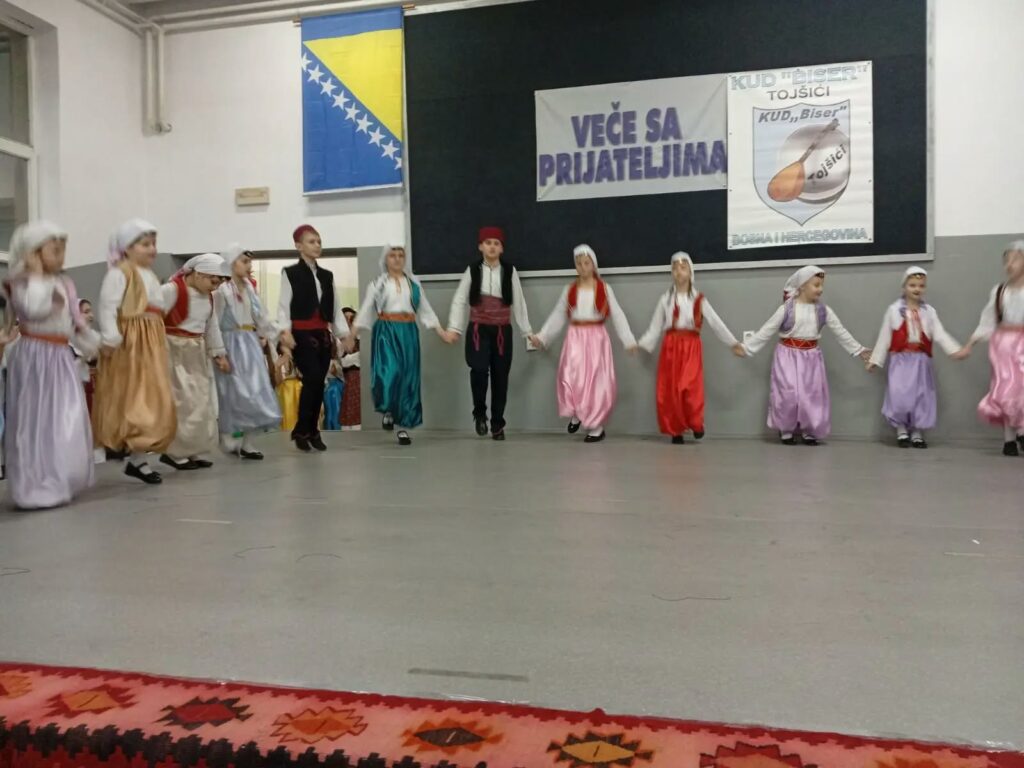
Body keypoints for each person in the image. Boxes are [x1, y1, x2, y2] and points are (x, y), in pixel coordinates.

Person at [2, 221, 99, 509]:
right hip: (35, 358)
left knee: (65, 419)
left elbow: (73, 322)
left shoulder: (63, 283)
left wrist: (91, 343)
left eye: (63, 250)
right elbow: (34, 309)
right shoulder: (22, 283)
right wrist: (35, 275)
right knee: (37, 421)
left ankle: (61, 475)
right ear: (33, 253)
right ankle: (36, 483)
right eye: (54, 250)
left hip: (59, 358)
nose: (61, 256)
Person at [739, 265, 871, 445]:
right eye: (816, 285)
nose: (820, 289)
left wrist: (859, 350)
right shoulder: (786, 309)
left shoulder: (823, 310)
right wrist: (746, 348)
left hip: (812, 358)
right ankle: (786, 430)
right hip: (787, 356)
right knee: (788, 393)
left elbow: (841, 332)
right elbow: (766, 330)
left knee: (811, 395)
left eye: (821, 285)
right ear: (802, 286)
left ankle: (809, 430)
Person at [94, 219, 176, 484]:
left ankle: (138, 459)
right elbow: (107, 306)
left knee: (152, 398)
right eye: (145, 244)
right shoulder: (120, 273)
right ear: (127, 248)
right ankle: (136, 458)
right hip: (131, 344)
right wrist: (111, 335)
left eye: (153, 244)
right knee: (135, 398)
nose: (152, 249)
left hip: (151, 341)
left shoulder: (149, 275)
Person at [530, 245, 637, 443]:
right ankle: (576, 412)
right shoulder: (570, 290)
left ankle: (596, 427)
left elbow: (617, 314)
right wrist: (542, 336)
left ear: (593, 265)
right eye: (578, 264)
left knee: (595, 381)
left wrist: (628, 339)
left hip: (596, 338)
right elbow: (558, 315)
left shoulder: (604, 289)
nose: (582, 267)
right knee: (572, 375)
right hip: (575, 337)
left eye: (586, 263)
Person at [638, 251, 744, 443]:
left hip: (691, 347)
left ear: (690, 272)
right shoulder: (666, 299)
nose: (679, 271)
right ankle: (676, 430)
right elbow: (655, 325)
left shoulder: (699, 300)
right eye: (675, 268)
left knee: (690, 387)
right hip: (671, 347)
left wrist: (732, 343)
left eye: (683, 267)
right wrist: (644, 343)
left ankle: (696, 423)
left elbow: (715, 322)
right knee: (671, 390)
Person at [444, 227, 534, 440]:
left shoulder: (509, 271)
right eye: (488, 243)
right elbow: (460, 299)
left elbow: (519, 302)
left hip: (502, 331)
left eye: (496, 243)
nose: (492, 247)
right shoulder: (472, 270)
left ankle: (497, 424)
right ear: (480, 246)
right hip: (478, 330)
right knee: (478, 370)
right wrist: (454, 328)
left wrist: (527, 332)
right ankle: (479, 414)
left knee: (500, 377)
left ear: (501, 248)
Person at [355, 244, 446, 445]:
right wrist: (353, 332)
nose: (397, 259)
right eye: (392, 255)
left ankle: (402, 428)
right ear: (385, 259)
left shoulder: (413, 284)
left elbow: (425, 310)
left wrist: (441, 331)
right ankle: (388, 409)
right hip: (386, 331)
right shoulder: (378, 284)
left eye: (400, 255)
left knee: (408, 378)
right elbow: (366, 309)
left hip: (408, 332)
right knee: (390, 373)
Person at [276, 224, 354, 452]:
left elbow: (336, 307)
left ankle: (310, 429)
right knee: (311, 378)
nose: (317, 245)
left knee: (319, 382)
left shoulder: (327, 276)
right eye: (311, 241)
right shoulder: (290, 273)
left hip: (323, 335)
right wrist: (285, 332)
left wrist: (344, 335)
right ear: (298, 246)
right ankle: (304, 429)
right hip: (301, 334)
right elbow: (283, 306)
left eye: (319, 241)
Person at [867, 266, 962, 448]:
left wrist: (954, 350)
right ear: (904, 287)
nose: (917, 289)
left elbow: (939, 333)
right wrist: (875, 360)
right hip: (900, 361)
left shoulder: (929, 312)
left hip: (921, 361)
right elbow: (885, 336)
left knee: (921, 397)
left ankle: (917, 432)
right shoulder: (894, 310)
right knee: (900, 396)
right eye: (912, 285)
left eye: (921, 285)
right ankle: (901, 431)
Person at [214, 244, 287, 460]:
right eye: (244, 261)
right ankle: (228, 435)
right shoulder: (222, 292)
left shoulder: (250, 290)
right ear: (231, 263)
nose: (249, 266)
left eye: (249, 262)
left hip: (249, 344)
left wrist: (278, 335)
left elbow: (262, 318)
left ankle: (248, 442)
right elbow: (214, 322)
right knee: (232, 393)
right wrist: (219, 352)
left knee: (255, 391)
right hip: (230, 343)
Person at [160, 253, 232, 470]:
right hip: (173, 352)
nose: (216, 285)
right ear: (199, 274)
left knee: (200, 402)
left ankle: (192, 450)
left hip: (196, 352)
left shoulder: (209, 297)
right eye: (213, 280)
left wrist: (219, 354)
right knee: (181, 403)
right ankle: (174, 453)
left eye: (219, 281)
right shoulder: (171, 291)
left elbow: (211, 326)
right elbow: (150, 319)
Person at [953, 240, 1024, 455]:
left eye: (1015, 260)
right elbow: (987, 322)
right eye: (1006, 261)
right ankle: (1009, 440)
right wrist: (969, 344)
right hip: (1004, 348)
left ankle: (1022, 431)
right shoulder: (999, 292)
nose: (1009, 265)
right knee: (1007, 392)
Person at [339, 306, 361, 430]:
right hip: (347, 379)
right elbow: (342, 362)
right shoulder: (341, 340)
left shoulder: (363, 338)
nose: (349, 321)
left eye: (351, 318)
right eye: (345, 319)